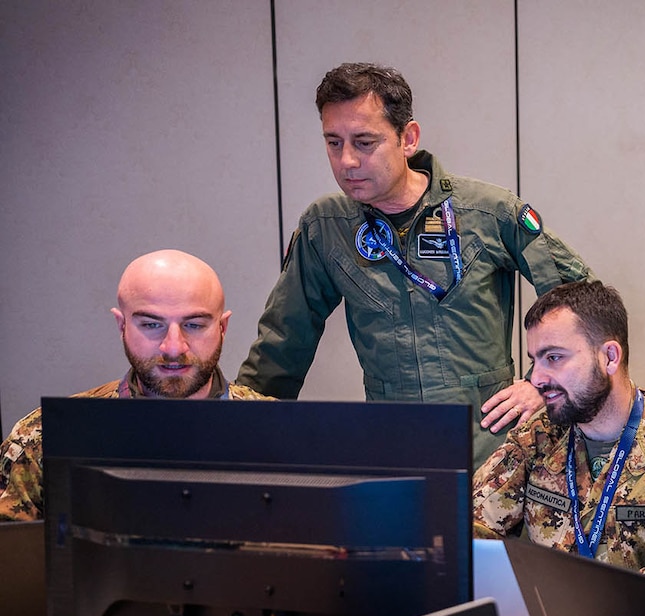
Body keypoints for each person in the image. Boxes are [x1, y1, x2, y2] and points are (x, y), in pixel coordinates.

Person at [236, 62, 593, 468]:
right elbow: (282, 345)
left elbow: (582, 301)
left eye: (364, 142)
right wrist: (237, 432)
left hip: (494, 449)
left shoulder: (487, 212)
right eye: (333, 143)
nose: (347, 161)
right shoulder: (327, 227)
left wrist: (540, 383)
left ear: (407, 138)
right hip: (393, 446)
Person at [473, 279, 645, 592]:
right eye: (535, 360)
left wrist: (603, 615)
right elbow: (472, 528)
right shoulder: (538, 436)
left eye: (554, 358)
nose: (537, 378)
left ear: (610, 357)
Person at [0, 250, 271, 521]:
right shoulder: (46, 439)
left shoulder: (275, 433)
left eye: (194, 324)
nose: (174, 347)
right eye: (152, 324)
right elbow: (15, 558)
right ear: (122, 325)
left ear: (222, 327)